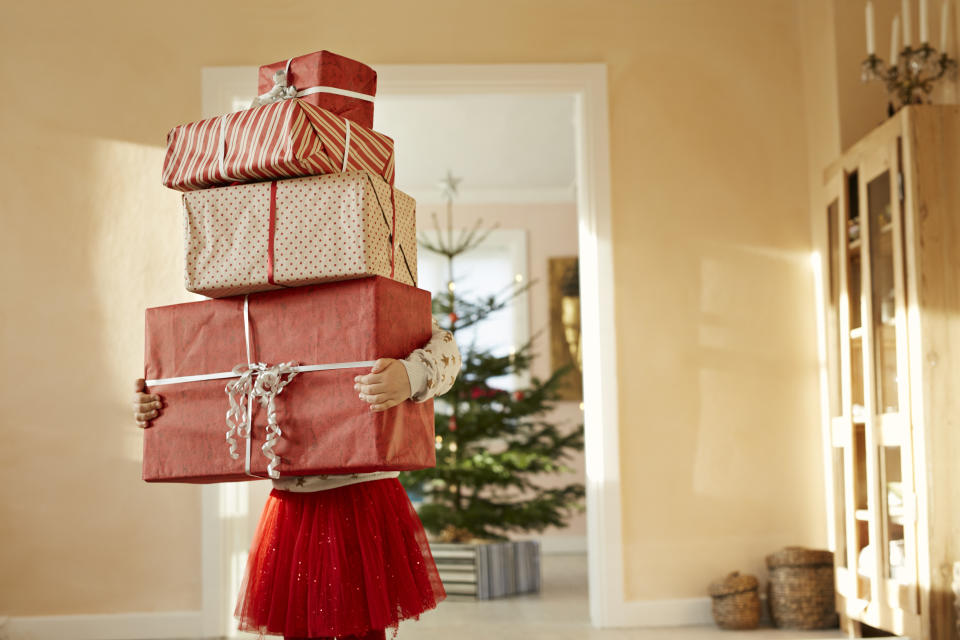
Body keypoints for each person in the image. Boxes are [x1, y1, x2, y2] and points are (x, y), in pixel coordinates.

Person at [134, 317, 461, 640]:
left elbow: (446, 349)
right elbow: (210, 368)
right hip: (294, 505)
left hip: (364, 498)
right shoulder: (259, 308)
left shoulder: (370, 289)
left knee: (362, 628)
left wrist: (411, 375)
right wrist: (162, 403)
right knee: (302, 627)